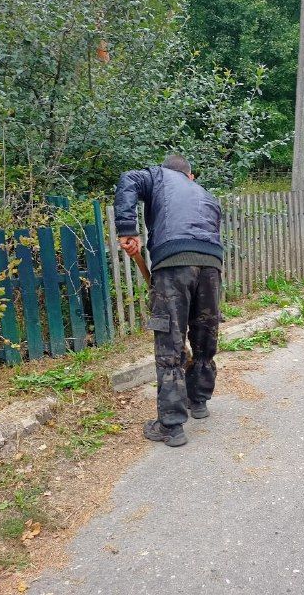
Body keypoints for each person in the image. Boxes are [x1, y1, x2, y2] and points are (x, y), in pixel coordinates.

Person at [115, 154, 223, 447]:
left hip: (173, 263)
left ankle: (171, 426)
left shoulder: (158, 176)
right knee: (204, 334)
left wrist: (127, 228)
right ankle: (198, 401)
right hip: (211, 264)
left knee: (170, 343)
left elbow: (128, 179)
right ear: (190, 175)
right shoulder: (205, 193)